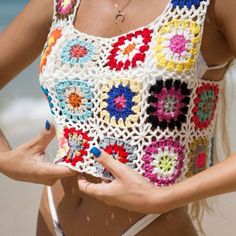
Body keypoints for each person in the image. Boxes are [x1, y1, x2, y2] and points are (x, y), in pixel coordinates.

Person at [0, 0, 236, 235]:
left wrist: (164, 198)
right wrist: (3, 159)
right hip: (51, 219)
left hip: (149, 226)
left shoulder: (211, 5)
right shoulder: (63, 3)